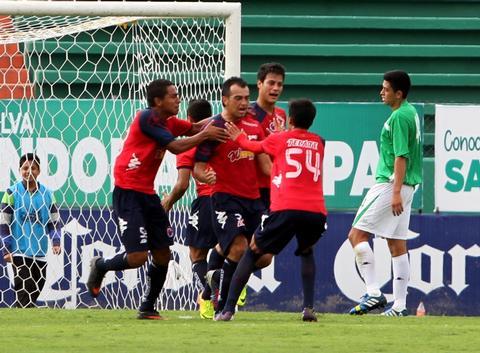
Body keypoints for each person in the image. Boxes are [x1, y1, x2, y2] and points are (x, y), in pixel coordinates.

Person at [86, 79, 229, 320]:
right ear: (158, 101)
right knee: (137, 257)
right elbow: (175, 146)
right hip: (128, 192)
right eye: (173, 96)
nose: (179, 99)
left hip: (147, 194)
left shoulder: (169, 122)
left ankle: (148, 307)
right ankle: (100, 266)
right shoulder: (146, 118)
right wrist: (206, 134)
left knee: (163, 253)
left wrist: (224, 117)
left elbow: (194, 128)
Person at [216, 98, 328, 322]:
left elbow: (253, 147)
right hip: (315, 211)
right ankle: (308, 308)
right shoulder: (319, 142)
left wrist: (239, 136)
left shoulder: (279, 139)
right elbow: (298, 146)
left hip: (285, 206)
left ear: (290, 119)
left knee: (252, 250)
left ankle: (227, 309)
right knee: (306, 251)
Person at [194, 77, 271, 317]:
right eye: (238, 98)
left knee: (264, 257)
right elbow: (198, 166)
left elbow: (266, 166)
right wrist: (204, 177)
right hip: (225, 198)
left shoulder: (254, 127)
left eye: (247, 98)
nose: (244, 103)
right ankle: (224, 306)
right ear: (225, 100)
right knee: (238, 248)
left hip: (253, 200)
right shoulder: (214, 129)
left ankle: (213, 280)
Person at [348, 70, 422, 317]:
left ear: (398, 94)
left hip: (392, 184)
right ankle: (399, 306)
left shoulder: (399, 117)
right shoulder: (410, 112)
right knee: (396, 244)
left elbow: (401, 155)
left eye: (386, 88)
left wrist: (396, 191)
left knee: (356, 235)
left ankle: (373, 292)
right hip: (408, 185)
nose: (381, 92)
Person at [160, 98, 217, 319]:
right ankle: (235, 285)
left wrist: (168, 202)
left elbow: (182, 185)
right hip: (230, 199)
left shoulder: (189, 145)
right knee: (229, 248)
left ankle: (208, 297)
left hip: (206, 201)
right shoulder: (221, 138)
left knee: (196, 254)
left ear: (190, 119)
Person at [0, 153, 62, 308]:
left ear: (39, 171)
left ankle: (18, 320)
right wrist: (6, 248)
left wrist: (56, 241)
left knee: (34, 291)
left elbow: (54, 221)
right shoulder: (11, 193)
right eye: (25, 168)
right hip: (19, 252)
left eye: (32, 168)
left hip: (39, 252)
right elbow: (3, 222)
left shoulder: (47, 194)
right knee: (25, 292)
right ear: (20, 171)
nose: (29, 171)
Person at [246, 62, 287, 210]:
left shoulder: (281, 115)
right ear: (259, 83)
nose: (276, 88)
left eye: (279, 84)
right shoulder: (248, 114)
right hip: (254, 189)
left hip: (274, 185)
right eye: (271, 83)